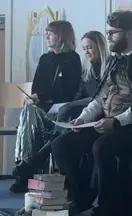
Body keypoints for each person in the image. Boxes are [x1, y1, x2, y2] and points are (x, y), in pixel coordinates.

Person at [51, 10, 132, 216]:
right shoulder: (115, 61)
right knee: (61, 145)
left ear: (130, 33)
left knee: (102, 147)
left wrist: (116, 122)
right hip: (105, 121)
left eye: (113, 33)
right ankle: (82, 196)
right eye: (108, 32)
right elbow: (100, 98)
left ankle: (106, 206)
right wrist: (83, 118)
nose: (109, 37)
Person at [12, 31, 110, 192]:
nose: (86, 52)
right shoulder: (88, 69)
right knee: (34, 113)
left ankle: (33, 162)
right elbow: (80, 94)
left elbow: (98, 98)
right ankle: (31, 162)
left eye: (90, 48)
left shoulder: (108, 68)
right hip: (85, 110)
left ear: (100, 47)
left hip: (100, 113)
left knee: (65, 111)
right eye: (84, 48)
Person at [10, 20, 81, 193]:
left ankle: (25, 170)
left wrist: (42, 96)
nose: (47, 37)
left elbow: (68, 92)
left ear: (62, 36)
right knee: (29, 110)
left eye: (51, 33)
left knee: (30, 116)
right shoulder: (45, 59)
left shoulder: (73, 59)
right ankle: (26, 166)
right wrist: (34, 97)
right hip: (42, 110)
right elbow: (37, 87)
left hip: (62, 109)